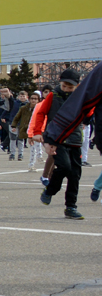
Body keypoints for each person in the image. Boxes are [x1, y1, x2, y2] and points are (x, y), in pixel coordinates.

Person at [39, 69, 86, 219]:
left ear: (77, 86)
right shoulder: (53, 96)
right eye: (64, 86)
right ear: (60, 82)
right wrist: (39, 134)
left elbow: (88, 113)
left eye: (70, 87)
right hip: (56, 139)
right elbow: (41, 113)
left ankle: (71, 207)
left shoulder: (80, 97)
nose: (66, 89)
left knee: (75, 175)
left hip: (74, 139)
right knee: (64, 166)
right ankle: (51, 190)